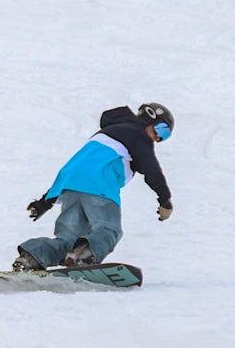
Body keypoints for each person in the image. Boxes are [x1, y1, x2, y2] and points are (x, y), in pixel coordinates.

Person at [13, 102, 174, 271]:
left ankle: (31, 258)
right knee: (108, 230)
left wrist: (45, 201)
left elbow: (75, 168)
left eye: (165, 136)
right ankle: (82, 258)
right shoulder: (137, 134)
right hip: (99, 186)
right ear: (149, 118)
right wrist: (165, 199)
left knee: (68, 240)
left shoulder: (104, 134)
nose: (158, 138)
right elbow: (150, 168)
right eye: (162, 130)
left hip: (70, 187)